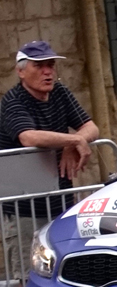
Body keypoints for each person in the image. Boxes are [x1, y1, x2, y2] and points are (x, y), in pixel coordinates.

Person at [3, 40, 99, 186]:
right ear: (20, 71)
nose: (47, 71)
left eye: (51, 65)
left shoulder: (60, 92)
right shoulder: (13, 99)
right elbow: (29, 138)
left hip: (60, 193)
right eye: (39, 66)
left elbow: (91, 128)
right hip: (23, 197)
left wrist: (70, 146)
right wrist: (75, 140)